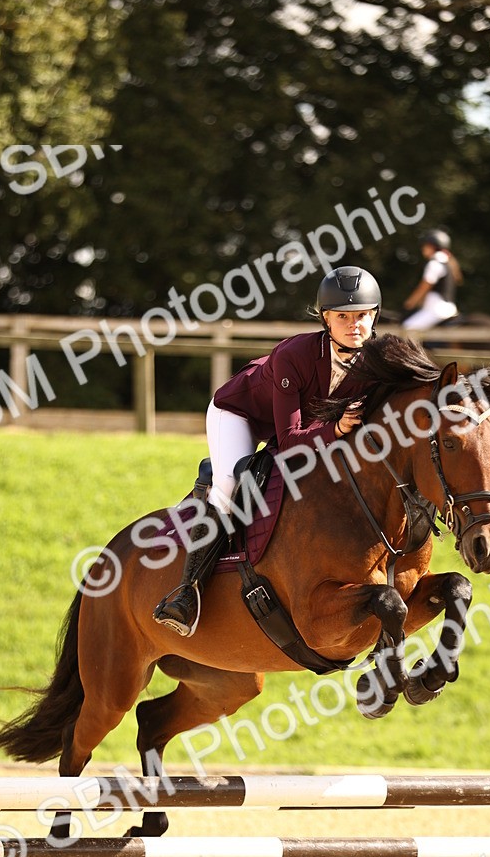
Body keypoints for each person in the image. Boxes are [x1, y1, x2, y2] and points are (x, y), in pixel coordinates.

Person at [153, 264, 382, 637]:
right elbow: (290, 440)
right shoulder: (296, 354)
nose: (353, 324)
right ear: (326, 318)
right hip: (239, 413)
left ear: (375, 316)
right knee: (229, 484)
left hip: (302, 426)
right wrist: (336, 429)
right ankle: (186, 592)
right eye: (343, 316)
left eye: (362, 315)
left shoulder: (374, 364)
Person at [402, 229, 462, 331]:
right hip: (447, 308)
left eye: (425, 246)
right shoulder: (447, 262)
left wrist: (410, 303)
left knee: (407, 329)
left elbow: (425, 286)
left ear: (433, 246)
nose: (423, 249)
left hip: (437, 310)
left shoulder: (434, 263)